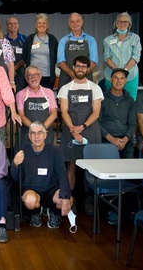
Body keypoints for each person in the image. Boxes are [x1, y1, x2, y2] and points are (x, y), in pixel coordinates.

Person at [11, 121, 72, 228]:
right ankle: (36, 212)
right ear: (29, 136)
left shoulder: (54, 151)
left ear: (45, 135)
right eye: (33, 133)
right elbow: (15, 178)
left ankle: (53, 212)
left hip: (51, 190)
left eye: (40, 133)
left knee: (68, 200)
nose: (36, 136)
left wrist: (66, 196)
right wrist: (15, 164)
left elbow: (63, 174)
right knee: (30, 201)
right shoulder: (23, 151)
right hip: (31, 189)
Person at [57, 55, 103, 192]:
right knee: (71, 165)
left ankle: (90, 199)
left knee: (91, 166)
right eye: (78, 66)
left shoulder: (95, 88)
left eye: (83, 66)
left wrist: (81, 128)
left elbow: (96, 113)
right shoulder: (65, 88)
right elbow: (64, 112)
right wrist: (73, 129)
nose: (80, 69)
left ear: (88, 69)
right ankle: (70, 198)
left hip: (90, 130)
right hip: (70, 130)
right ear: (73, 67)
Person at [103, 12, 142, 100]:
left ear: (129, 24)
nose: (123, 24)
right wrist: (116, 71)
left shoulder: (135, 38)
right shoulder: (107, 40)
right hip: (111, 76)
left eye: (126, 22)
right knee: (111, 103)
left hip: (131, 76)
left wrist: (124, 72)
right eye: (120, 21)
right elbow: (106, 57)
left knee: (131, 102)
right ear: (116, 23)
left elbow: (136, 56)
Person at [15, 65, 58, 147]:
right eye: (30, 75)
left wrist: (42, 129)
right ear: (26, 78)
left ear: (40, 76)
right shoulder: (20, 94)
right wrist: (34, 130)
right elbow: (21, 115)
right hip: (27, 134)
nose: (33, 77)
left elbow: (54, 113)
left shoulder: (49, 93)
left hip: (46, 133)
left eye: (36, 75)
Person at [99, 68, 136, 158]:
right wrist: (111, 139)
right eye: (116, 78)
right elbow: (96, 122)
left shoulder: (130, 100)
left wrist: (125, 139)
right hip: (106, 138)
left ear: (125, 81)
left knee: (128, 169)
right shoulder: (102, 98)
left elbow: (132, 124)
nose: (119, 81)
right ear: (111, 80)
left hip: (124, 140)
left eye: (122, 78)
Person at [57, 12, 99, 93]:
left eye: (77, 21)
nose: (75, 23)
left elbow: (93, 61)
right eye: (72, 22)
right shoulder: (63, 41)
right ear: (69, 24)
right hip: (67, 78)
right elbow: (61, 62)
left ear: (82, 22)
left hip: (85, 78)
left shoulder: (90, 40)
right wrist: (72, 74)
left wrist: (81, 75)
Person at [21, 13, 59, 90]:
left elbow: (56, 57)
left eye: (44, 23)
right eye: (39, 23)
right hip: (32, 76)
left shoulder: (52, 39)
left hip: (47, 76)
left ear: (48, 25)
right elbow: (24, 57)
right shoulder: (29, 39)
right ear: (35, 25)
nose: (41, 25)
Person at [5, 16, 28, 92]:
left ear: (18, 26)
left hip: (21, 72)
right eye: (10, 24)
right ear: (7, 26)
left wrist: (14, 68)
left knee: (20, 95)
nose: (13, 25)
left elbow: (26, 56)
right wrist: (9, 69)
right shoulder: (2, 39)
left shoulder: (24, 39)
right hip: (5, 72)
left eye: (15, 23)